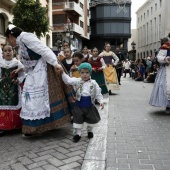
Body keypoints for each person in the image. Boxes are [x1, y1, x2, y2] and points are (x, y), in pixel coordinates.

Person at [5, 24, 74, 137]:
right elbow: (30, 62)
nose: (9, 42)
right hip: (35, 70)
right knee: (32, 97)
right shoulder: (21, 44)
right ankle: (37, 127)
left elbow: (44, 50)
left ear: (10, 36)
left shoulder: (26, 37)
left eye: (8, 40)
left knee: (40, 96)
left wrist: (56, 64)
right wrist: (20, 69)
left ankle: (41, 126)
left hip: (46, 67)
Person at [61, 62, 104, 142]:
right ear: (79, 73)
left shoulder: (93, 83)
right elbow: (67, 80)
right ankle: (78, 134)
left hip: (90, 105)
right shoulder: (77, 81)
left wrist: (101, 101)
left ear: (90, 73)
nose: (85, 75)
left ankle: (90, 131)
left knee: (90, 119)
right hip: (79, 105)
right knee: (78, 120)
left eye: (87, 72)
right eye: (82, 72)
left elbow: (98, 92)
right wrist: (62, 72)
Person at [0, 44, 25, 136]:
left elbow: (23, 74)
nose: (7, 52)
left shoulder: (17, 63)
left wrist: (18, 80)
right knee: (3, 105)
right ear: (2, 53)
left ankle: (16, 125)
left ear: (13, 52)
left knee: (14, 104)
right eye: (5, 51)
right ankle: (3, 126)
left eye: (9, 50)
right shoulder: (0, 64)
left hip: (15, 88)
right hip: (2, 89)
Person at [150, 34, 170, 114]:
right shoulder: (166, 46)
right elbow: (159, 57)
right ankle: (168, 106)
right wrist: (166, 59)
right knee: (166, 86)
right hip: (167, 69)